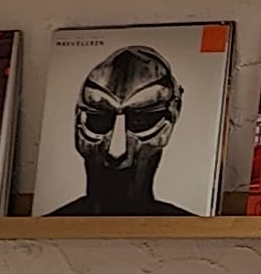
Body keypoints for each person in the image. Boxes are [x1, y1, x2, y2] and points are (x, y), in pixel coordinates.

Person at [49, 45, 192, 216]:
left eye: (140, 120)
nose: (117, 151)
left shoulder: (192, 229)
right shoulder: (45, 229)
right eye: (100, 119)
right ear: (78, 117)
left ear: (174, 113)